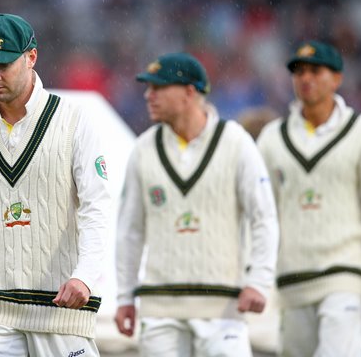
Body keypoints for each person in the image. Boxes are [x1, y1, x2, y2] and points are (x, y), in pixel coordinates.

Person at [0, 13, 111, 357]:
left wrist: (85, 276)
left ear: (31, 57)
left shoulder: (74, 118)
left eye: (3, 66)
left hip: (61, 309)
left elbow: (96, 205)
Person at [115, 52, 279, 357]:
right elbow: (130, 231)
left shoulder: (236, 142)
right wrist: (125, 297)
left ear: (190, 92)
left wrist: (259, 281)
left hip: (223, 308)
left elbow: (264, 218)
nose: (148, 96)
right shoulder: (143, 149)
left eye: (158, 88)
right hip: (159, 306)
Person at [257, 40, 361, 357]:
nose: (305, 79)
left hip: (345, 273)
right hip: (292, 279)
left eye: (315, 71)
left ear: (337, 78)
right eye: (299, 72)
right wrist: (257, 276)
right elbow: (261, 214)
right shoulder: (272, 139)